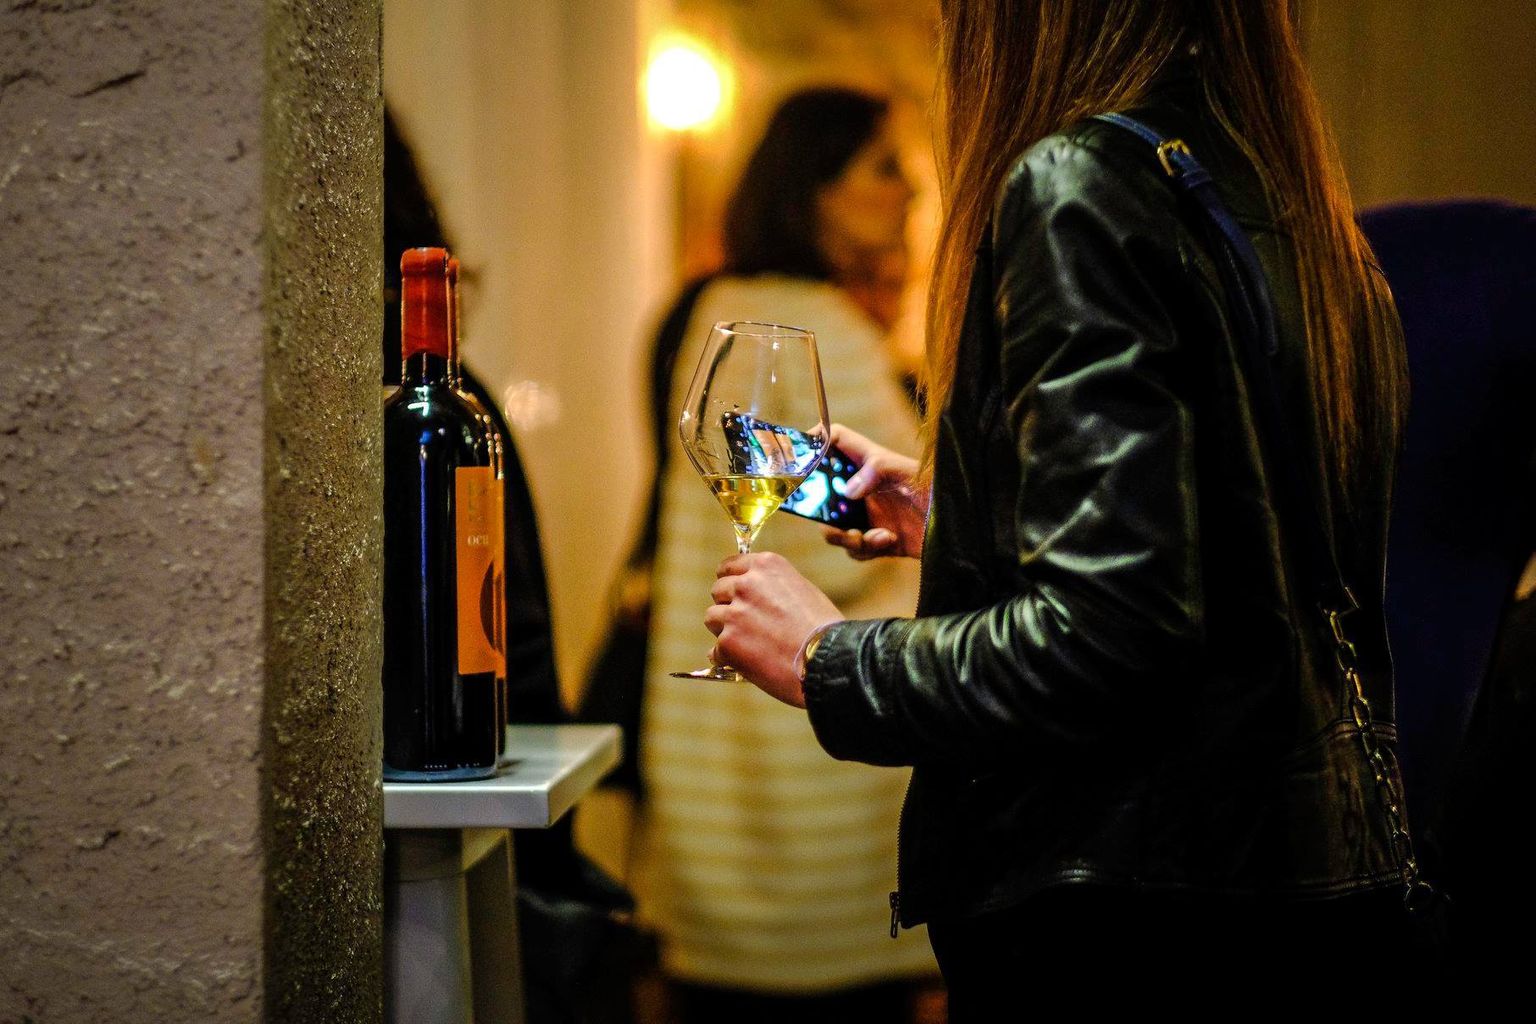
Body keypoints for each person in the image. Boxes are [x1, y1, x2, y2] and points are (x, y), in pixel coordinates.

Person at [701, 0, 1417, 1003]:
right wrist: (970, 525)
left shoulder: (1080, 185)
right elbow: (1245, 574)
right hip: (1291, 900)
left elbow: (1107, 641)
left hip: (1120, 932)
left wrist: (828, 659)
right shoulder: (1297, 209)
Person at [634, 87, 936, 1020]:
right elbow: (841, 536)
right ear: (816, 187)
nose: (909, 192)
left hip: (716, 772)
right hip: (803, 786)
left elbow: (760, 508)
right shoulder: (815, 329)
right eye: (884, 167)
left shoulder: (718, 307)